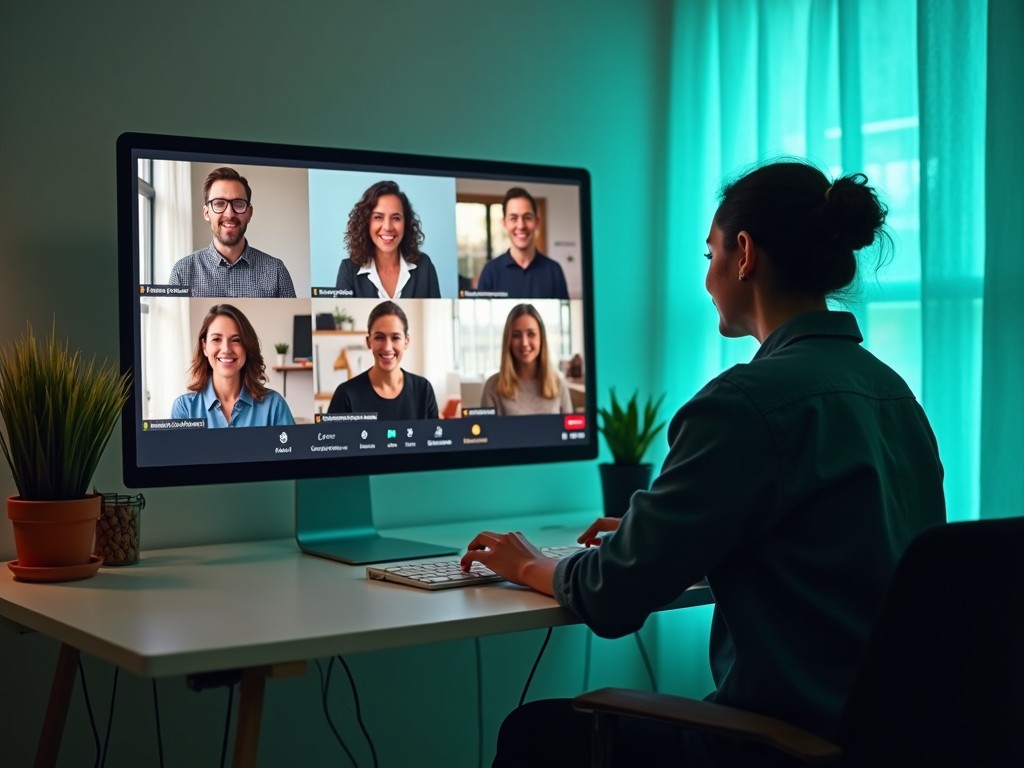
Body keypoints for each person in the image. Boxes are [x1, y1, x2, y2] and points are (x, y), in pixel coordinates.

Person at [462, 161, 946, 766]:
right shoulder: (894, 394)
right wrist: (667, 531)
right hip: (885, 740)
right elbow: (827, 544)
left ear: (744, 254)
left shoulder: (744, 404)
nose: (709, 277)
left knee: (535, 733)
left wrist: (531, 564)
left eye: (710, 253)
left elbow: (611, 598)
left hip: (777, 747)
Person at [168, 167, 297, 298]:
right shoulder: (182, 272)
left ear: (249, 213)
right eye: (219, 204)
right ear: (207, 213)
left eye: (238, 204)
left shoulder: (276, 271)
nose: (229, 214)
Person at [171, 303, 295, 428]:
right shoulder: (184, 409)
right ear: (204, 346)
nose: (226, 349)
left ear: (247, 347)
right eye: (216, 339)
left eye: (236, 340)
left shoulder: (274, 406)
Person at [327, 300, 438, 419]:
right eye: (379, 337)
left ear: (406, 341)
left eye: (395, 337)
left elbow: (435, 436)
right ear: (369, 342)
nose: (387, 347)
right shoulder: (346, 394)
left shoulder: (424, 390)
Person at [335, 180, 441, 298]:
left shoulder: (424, 266)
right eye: (378, 217)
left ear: (406, 223)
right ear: (366, 222)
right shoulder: (349, 270)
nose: (387, 227)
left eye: (396, 218)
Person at [475, 187, 569, 299]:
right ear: (504, 223)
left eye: (527, 217)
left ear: (537, 222)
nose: (521, 226)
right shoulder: (490, 271)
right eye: (513, 218)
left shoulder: (554, 271)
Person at [481, 303, 572, 415]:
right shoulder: (492, 386)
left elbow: (570, 430)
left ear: (541, 339)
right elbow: (487, 431)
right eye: (516, 335)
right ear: (508, 341)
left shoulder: (558, 384)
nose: (524, 343)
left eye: (531, 334)